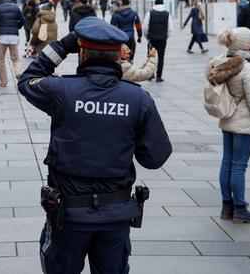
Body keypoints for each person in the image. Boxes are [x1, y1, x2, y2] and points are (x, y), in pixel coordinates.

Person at [17, 17, 172, 274]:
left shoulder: (62, 90)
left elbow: (28, 79)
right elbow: (155, 158)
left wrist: (63, 45)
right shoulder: (138, 99)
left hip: (68, 215)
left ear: (82, 52)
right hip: (116, 214)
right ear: (118, 56)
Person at [206, 27, 250, 224]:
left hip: (228, 118)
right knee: (239, 165)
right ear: (246, 44)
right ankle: (240, 208)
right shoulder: (248, 68)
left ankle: (227, 206)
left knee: (227, 162)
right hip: (244, 122)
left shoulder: (222, 62)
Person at [0, 0, 25, 87]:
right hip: (14, 36)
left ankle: (3, 81)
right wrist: (17, 27)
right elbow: (23, 20)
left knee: (1, 59)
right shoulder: (16, 7)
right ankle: (18, 73)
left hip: (2, 36)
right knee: (15, 58)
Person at [143, 0, 173, 82]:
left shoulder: (150, 13)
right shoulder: (167, 14)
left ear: (155, 3)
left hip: (152, 38)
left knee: (151, 56)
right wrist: (166, 36)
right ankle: (159, 76)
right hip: (162, 39)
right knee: (161, 57)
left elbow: (145, 27)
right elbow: (170, 28)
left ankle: (150, 74)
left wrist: (147, 36)